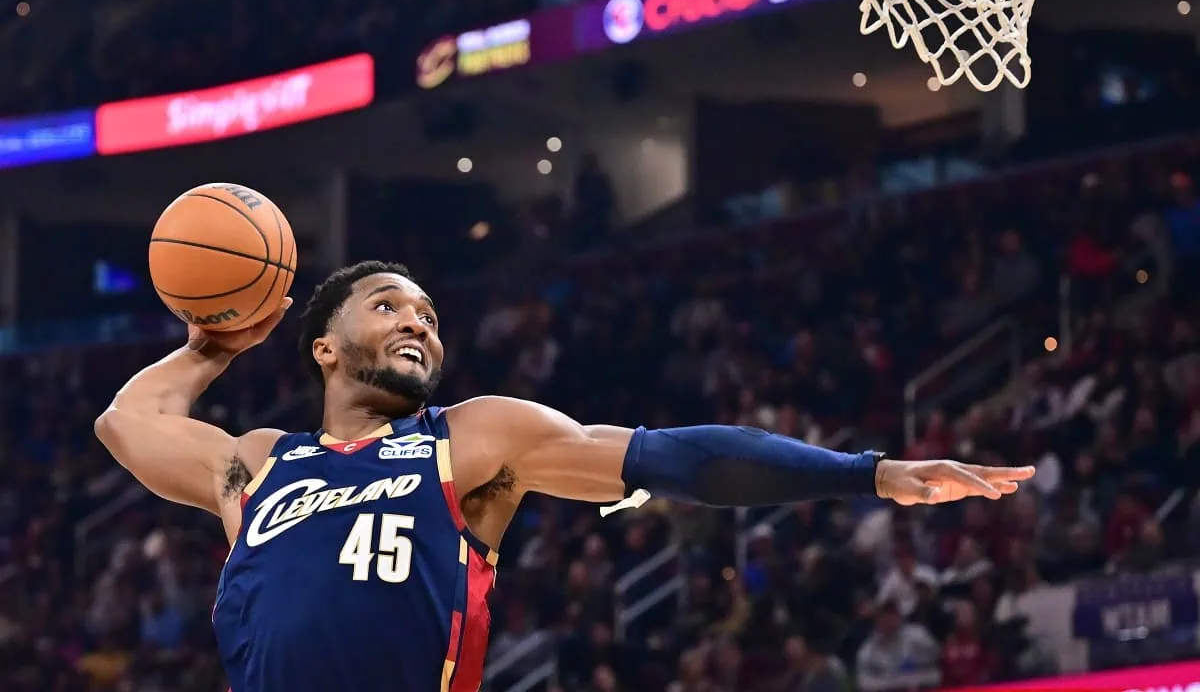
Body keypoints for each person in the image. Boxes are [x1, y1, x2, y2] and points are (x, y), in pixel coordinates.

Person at [95, 260, 1035, 692]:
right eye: (390, 307)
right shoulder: (260, 464)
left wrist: (869, 474)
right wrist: (217, 340)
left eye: (429, 314)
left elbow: (682, 456)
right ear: (326, 349)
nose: (419, 324)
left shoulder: (473, 437)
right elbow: (127, 422)